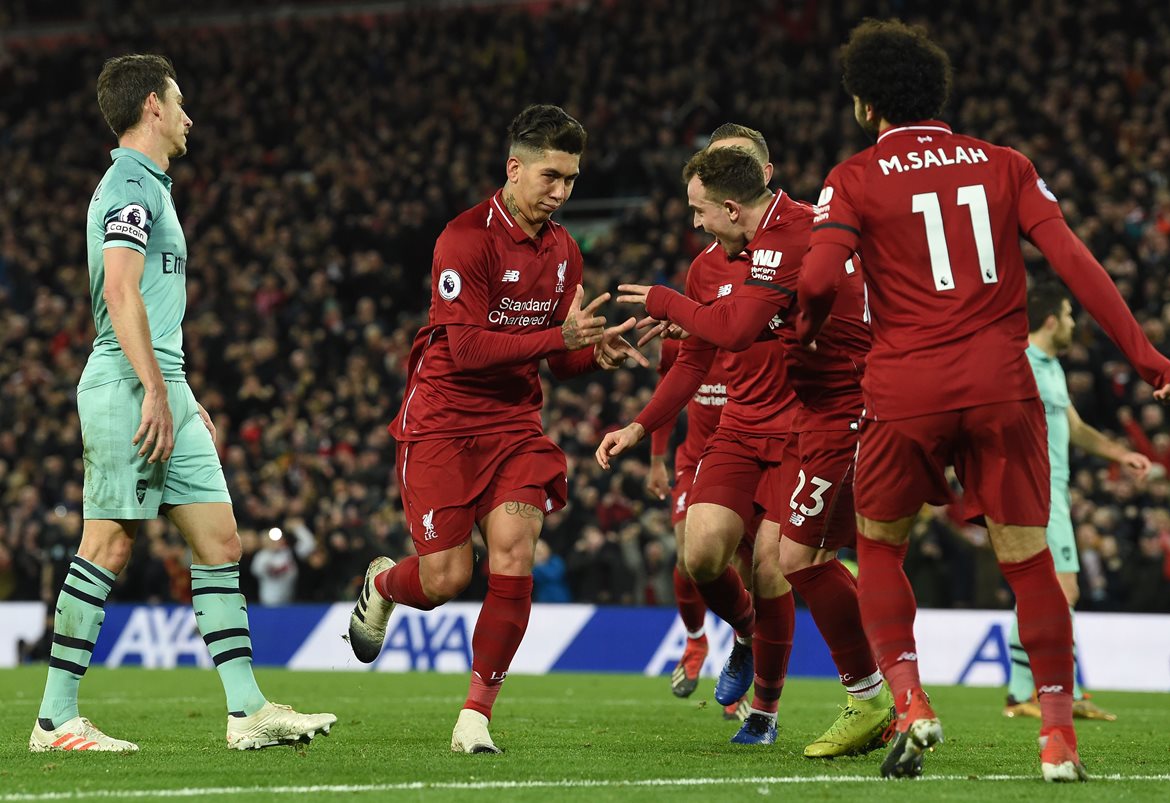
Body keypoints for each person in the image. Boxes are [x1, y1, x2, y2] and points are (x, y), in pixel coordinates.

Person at [787, 19, 1170, 781]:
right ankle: (1058, 740)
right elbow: (1072, 257)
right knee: (1030, 563)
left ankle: (911, 702)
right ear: (939, 94)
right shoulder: (1006, 164)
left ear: (868, 104)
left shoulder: (855, 176)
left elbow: (815, 279)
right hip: (1004, 386)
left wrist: (805, 330)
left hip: (906, 387)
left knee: (878, 546)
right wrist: (1142, 352)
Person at [30, 54, 337, 753]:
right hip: (129, 389)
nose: (190, 116)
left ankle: (246, 709)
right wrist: (159, 390)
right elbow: (119, 292)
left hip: (165, 384)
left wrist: (181, 393)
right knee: (107, 544)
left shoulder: (153, 187)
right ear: (152, 108)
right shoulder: (128, 186)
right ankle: (54, 719)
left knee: (221, 540)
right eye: (181, 102)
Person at [349, 104, 646, 754]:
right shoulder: (464, 239)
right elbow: (466, 350)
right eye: (550, 176)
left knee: (515, 547)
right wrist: (558, 337)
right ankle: (381, 584)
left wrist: (593, 352)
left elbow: (558, 359)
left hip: (514, 424)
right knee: (446, 578)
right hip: (443, 423)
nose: (562, 192)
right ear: (514, 169)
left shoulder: (565, 250)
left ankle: (475, 715)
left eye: (570, 179)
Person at [608, 135, 892, 753]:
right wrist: (641, 426)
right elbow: (692, 359)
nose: (694, 221)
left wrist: (666, 300)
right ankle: (745, 631)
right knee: (701, 554)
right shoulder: (712, 261)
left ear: (734, 202)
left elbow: (733, 328)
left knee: (775, 565)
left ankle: (765, 709)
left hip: (805, 423)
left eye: (699, 209)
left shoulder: (794, 235)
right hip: (739, 425)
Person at [1004, 286, 1150, 721]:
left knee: (1045, 592)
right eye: (1068, 315)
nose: (1072, 323)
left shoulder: (1051, 368)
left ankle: (1028, 692)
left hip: (1056, 492)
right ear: (1051, 319)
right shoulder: (1019, 364)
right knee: (1062, 590)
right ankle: (1052, 691)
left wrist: (1120, 454)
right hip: (1034, 491)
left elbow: (1077, 428)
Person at [646, 335, 753, 720]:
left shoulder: (757, 332)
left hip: (747, 456)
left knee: (744, 574)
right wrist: (657, 459)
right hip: (694, 461)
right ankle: (695, 641)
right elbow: (669, 392)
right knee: (689, 558)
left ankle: (738, 672)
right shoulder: (683, 336)